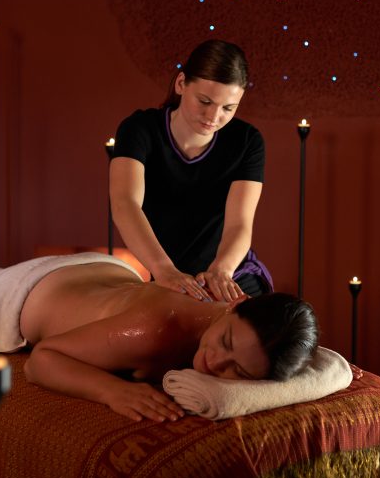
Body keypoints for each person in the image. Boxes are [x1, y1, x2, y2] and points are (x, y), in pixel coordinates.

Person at [21, 259, 317, 423]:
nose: (215, 362)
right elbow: (41, 361)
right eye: (225, 341)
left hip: (107, 272)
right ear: (236, 303)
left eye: (238, 372)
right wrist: (113, 391)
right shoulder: (152, 333)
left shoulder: (251, 338)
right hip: (27, 293)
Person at [110, 39, 272, 303]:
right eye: (205, 101)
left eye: (228, 108)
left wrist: (221, 271)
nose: (214, 116)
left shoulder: (247, 142)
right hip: (169, 275)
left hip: (231, 273)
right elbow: (124, 203)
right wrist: (163, 270)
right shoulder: (140, 130)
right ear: (181, 83)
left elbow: (239, 223)